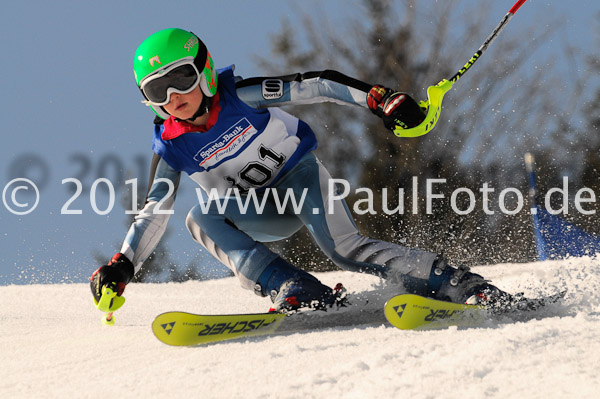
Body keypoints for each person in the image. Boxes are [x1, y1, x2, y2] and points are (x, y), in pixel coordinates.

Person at [90, 28, 511, 313]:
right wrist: (123, 265)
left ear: (204, 71)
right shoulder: (171, 147)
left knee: (343, 249)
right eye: (156, 90)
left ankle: (454, 282)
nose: (173, 96)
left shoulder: (241, 96)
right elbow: (153, 211)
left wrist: (379, 99)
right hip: (259, 211)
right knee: (199, 217)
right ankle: (294, 287)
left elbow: (318, 83)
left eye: (181, 78)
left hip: (301, 180)